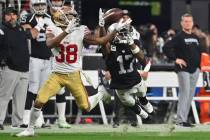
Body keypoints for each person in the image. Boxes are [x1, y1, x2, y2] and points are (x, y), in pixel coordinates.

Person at [15, 4, 130, 136]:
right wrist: (66, 32)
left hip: (74, 74)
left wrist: (112, 29)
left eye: (72, 16)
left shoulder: (81, 30)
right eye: (69, 15)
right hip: (57, 74)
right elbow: (50, 44)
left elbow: (101, 41)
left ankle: (100, 94)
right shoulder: (52, 28)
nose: (72, 18)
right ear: (61, 17)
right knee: (39, 100)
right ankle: (30, 129)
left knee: (86, 107)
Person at [20, 0, 71, 128]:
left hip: (48, 59)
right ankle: (25, 119)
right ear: (32, 6)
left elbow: (60, 35)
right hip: (34, 59)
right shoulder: (28, 18)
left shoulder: (50, 18)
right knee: (32, 88)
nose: (41, 7)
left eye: (43, 4)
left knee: (42, 91)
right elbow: (29, 35)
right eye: (38, 5)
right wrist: (39, 25)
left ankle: (38, 119)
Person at [99, 9, 154, 122]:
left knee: (143, 95)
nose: (122, 35)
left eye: (125, 32)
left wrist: (131, 43)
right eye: (120, 32)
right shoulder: (109, 47)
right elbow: (104, 43)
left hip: (135, 79)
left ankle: (147, 107)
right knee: (131, 103)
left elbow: (143, 59)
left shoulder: (133, 42)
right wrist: (102, 26)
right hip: (120, 85)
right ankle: (146, 117)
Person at [0, 6, 40, 130]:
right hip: (9, 68)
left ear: (17, 16)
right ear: (4, 16)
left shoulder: (20, 29)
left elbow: (32, 35)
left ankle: (18, 121)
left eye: (14, 14)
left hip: (24, 68)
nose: (11, 17)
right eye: (8, 14)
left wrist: (39, 24)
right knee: (4, 97)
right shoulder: (1, 29)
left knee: (20, 99)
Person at [163, 13, 202, 127]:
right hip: (183, 69)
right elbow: (166, 48)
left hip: (195, 70)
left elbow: (198, 52)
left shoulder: (195, 37)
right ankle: (180, 120)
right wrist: (176, 59)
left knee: (190, 95)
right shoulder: (179, 37)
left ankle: (184, 119)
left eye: (189, 21)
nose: (187, 23)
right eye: (185, 21)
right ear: (181, 23)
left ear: (192, 23)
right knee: (184, 94)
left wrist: (199, 67)